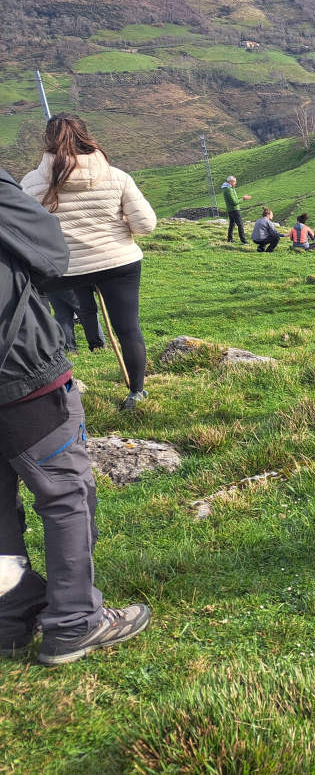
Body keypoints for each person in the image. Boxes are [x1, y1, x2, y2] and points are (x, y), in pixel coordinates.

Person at [0, 168, 151, 666]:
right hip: (17, 366)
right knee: (66, 492)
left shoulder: (36, 176)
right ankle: (74, 621)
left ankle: (9, 618)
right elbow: (51, 253)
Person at [22, 114, 157, 411]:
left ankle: (53, 389)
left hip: (63, 268)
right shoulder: (116, 176)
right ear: (86, 136)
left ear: (47, 140)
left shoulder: (32, 183)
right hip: (117, 261)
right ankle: (136, 392)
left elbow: (25, 231)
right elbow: (145, 225)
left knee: (45, 324)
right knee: (128, 329)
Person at [47, 287, 105, 354]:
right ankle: (98, 347)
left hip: (49, 286)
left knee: (63, 318)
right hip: (70, 285)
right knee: (86, 314)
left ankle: (70, 350)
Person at [222, 176, 251, 244]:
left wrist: (242, 198)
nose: (235, 183)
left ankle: (230, 239)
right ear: (230, 182)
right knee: (240, 225)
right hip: (234, 210)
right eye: (234, 181)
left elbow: (234, 200)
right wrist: (243, 199)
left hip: (230, 210)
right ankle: (243, 241)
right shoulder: (229, 190)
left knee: (232, 224)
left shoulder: (228, 189)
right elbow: (234, 202)